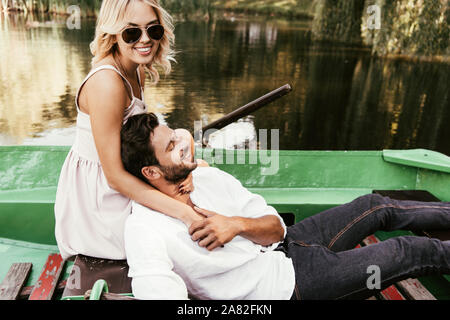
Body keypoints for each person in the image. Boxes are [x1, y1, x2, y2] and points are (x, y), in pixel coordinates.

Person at [121, 113, 450, 300]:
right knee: (405, 252)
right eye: (172, 145)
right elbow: (157, 289)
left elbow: (275, 227)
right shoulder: (144, 228)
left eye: (177, 137)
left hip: (291, 242)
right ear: (151, 172)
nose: (184, 143)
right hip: (287, 287)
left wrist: (236, 225)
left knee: (374, 206)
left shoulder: (207, 178)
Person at [54, 0, 205, 260]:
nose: (145, 40)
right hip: (102, 201)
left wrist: (184, 164)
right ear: (113, 34)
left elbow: (147, 140)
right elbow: (114, 176)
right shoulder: (107, 83)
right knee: (190, 219)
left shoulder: (137, 70)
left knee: (202, 173)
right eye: (132, 32)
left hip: (129, 173)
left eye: (153, 30)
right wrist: (185, 214)